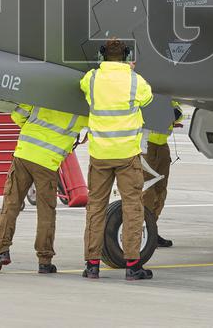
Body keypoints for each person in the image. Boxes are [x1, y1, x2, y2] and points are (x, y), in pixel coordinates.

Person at [79, 38, 154, 281]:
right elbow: (148, 99)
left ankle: (92, 265)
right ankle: (132, 265)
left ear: (102, 56)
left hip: (100, 154)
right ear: (127, 56)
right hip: (126, 154)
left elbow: (83, 87)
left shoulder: (91, 78)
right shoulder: (135, 80)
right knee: (132, 207)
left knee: (95, 207)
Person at [0, 102, 87, 274]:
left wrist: (34, 130)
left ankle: (1, 252)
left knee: (10, 205)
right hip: (48, 163)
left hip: (24, 155)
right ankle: (44, 261)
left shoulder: (43, 93)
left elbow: (17, 116)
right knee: (46, 213)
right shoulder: (81, 109)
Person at [143, 101, 184, 247]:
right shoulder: (146, 96)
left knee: (161, 191)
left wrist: (169, 113)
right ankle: (142, 230)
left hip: (162, 147)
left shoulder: (168, 99)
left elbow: (179, 115)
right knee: (147, 190)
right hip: (147, 146)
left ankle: (151, 230)